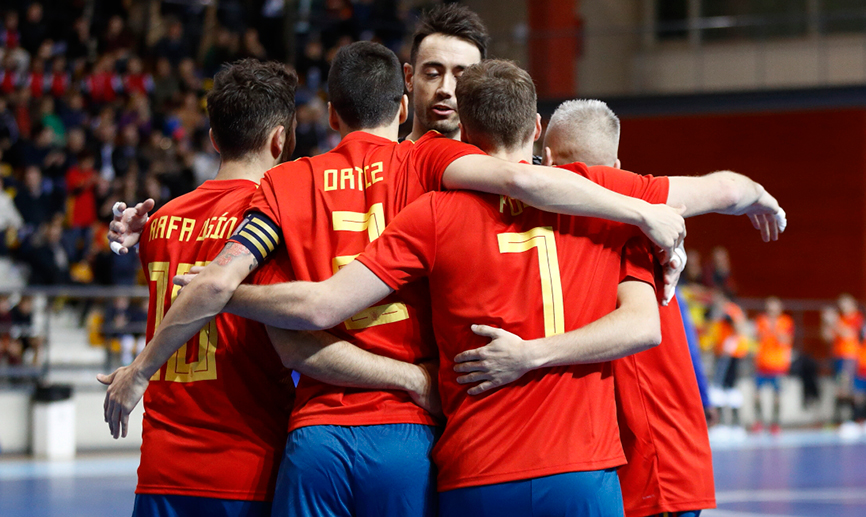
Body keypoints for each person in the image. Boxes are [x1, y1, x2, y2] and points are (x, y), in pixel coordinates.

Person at [104, 43, 686, 517]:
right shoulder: (430, 166)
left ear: (330, 116)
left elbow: (251, 297)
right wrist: (651, 209)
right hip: (416, 436)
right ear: (405, 107)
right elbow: (524, 183)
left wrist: (139, 361)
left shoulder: (275, 192)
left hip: (306, 439)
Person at [540, 98, 786, 516]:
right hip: (654, 451)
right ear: (618, 162)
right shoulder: (636, 201)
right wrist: (763, 198)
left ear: (545, 158)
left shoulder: (536, 202)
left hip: (650, 460)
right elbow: (728, 188)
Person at [96, 59, 299, 517]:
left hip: (161, 470)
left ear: (213, 138)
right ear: (279, 140)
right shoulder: (274, 217)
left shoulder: (160, 221)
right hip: (246, 466)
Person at [403, 3, 488, 142]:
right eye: (433, 74)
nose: (445, 89)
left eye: (462, 77)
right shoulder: (381, 162)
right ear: (409, 77)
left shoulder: (497, 163)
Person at [752, 297, 794, 434]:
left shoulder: (786, 321)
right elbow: (756, 337)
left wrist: (774, 329)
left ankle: (775, 423)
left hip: (778, 364)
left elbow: (786, 339)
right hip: (762, 363)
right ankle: (759, 422)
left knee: (777, 397)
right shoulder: (760, 320)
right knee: (757, 395)